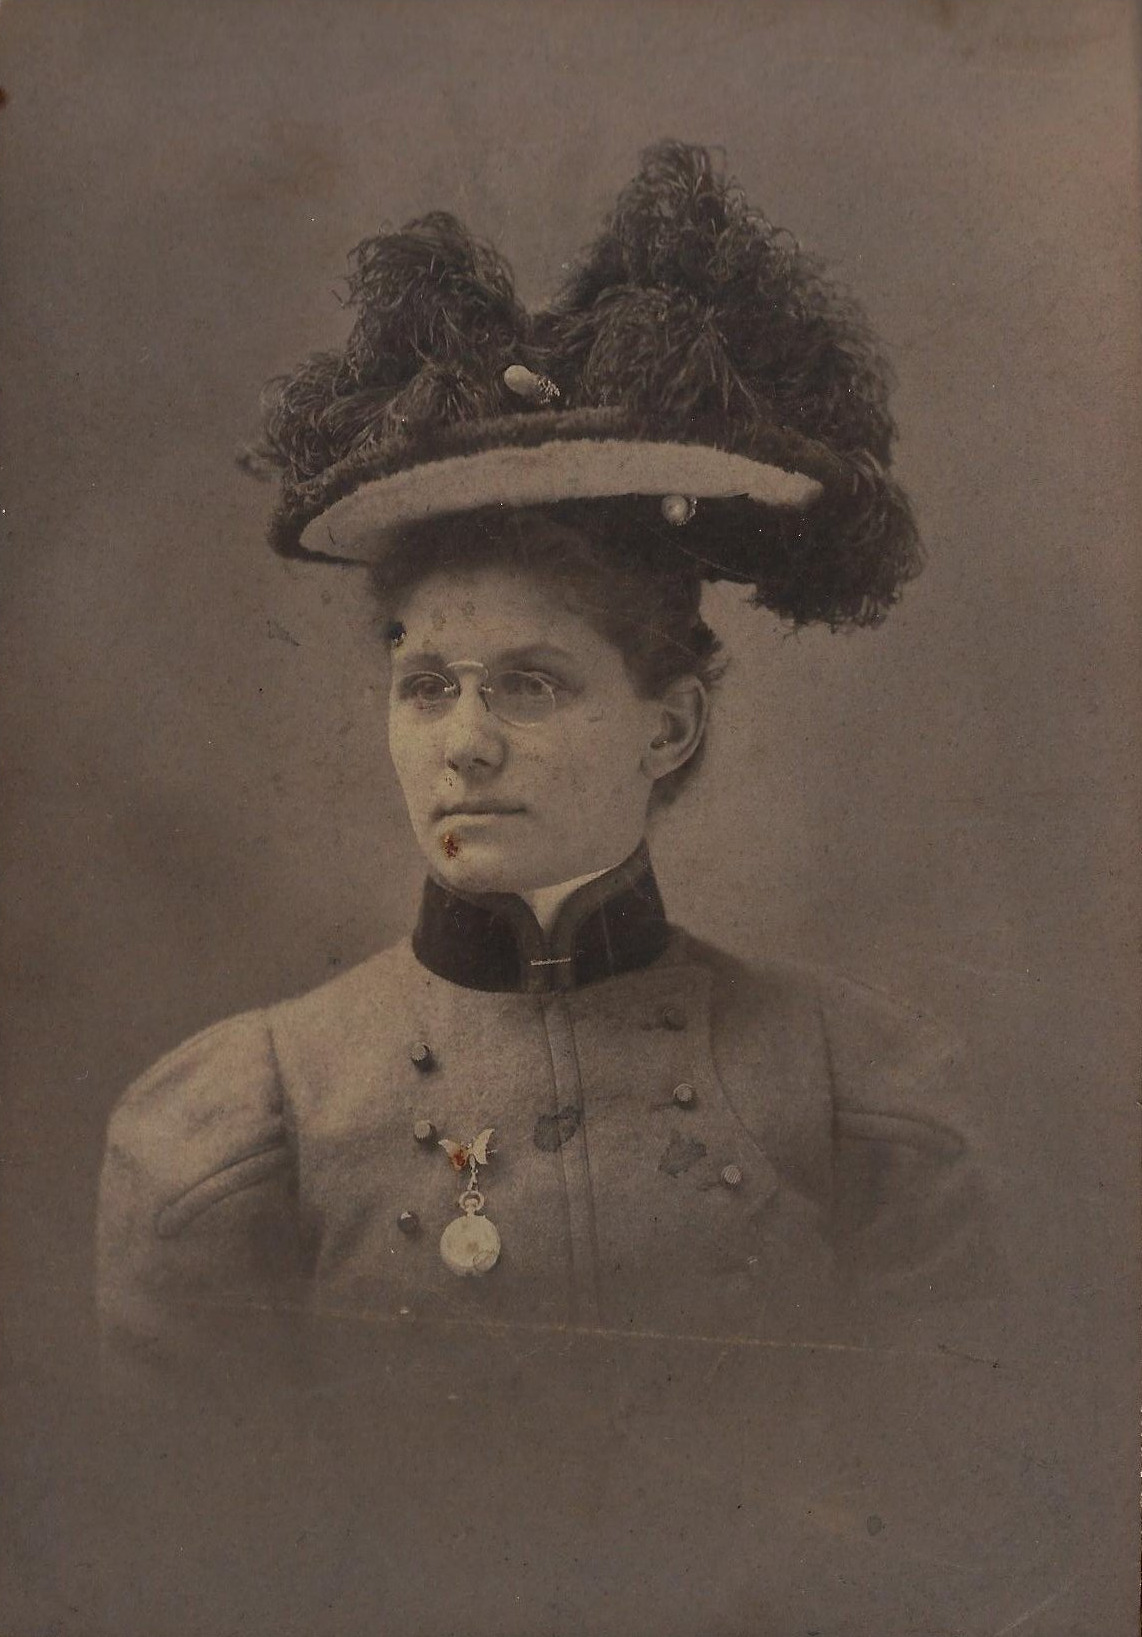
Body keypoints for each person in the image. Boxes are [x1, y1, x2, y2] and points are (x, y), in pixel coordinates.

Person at [93, 142, 1018, 1633]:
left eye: (529, 683)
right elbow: (192, 1567)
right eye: (427, 686)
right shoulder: (250, 1116)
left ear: (669, 726)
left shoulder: (858, 1089)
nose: (463, 742)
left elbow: (957, 1532)